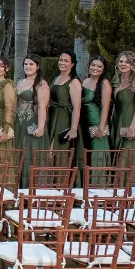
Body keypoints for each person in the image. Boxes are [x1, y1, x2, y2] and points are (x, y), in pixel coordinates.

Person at [47, 51, 83, 182]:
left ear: (72, 64)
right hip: (52, 117)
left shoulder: (74, 82)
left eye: (66, 61)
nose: (62, 63)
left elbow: (77, 107)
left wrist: (73, 128)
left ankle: (61, 186)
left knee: (58, 151)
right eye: (61, 60)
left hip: (64, 119)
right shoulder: (56, 78)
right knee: (49, 152)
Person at [16, 55, 50, 187]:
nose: (28, 67)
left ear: (38, 66)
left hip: (32, 125)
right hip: (19, 124)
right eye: (25, 64)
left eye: (31, 64)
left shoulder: (41, 84)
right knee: (20, 156)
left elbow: (42, 107)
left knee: (30, 156)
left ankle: (31, 191)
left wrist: (40, 127)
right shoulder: (20, 82)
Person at [110, 51, 135, 153]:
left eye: (127, 62)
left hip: (133, 122)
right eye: (121, 61)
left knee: (128, 158)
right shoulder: (116, 79)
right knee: (118, 157)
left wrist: (132, 127)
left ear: (133, 65)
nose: (123, 64)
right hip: (118, 121)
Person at [81, 57, 113, 168]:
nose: (95, 68)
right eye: (93, 65)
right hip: (84, 123)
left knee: (96, 156)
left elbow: (105, 107)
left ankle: (98, 184)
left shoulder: (105, 84)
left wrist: (101, 127)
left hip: (96, 124)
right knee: (85, 155)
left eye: (99, 66)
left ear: (103, 69)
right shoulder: (85, 81)